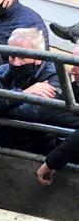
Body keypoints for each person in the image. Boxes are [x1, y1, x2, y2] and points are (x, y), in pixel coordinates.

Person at [0, 29, 79, 154]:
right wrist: (22, 94)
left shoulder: (55, 76)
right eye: (12, 56)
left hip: (36, 151)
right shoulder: (1, 71)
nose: (16, 62)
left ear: (38, 58)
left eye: (22, 56)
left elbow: (32, 112)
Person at [36, 44, 79, 185]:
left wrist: (51, 163)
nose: (72, 71)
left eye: (76, 65)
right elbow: (47, 113)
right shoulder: (75, 87)